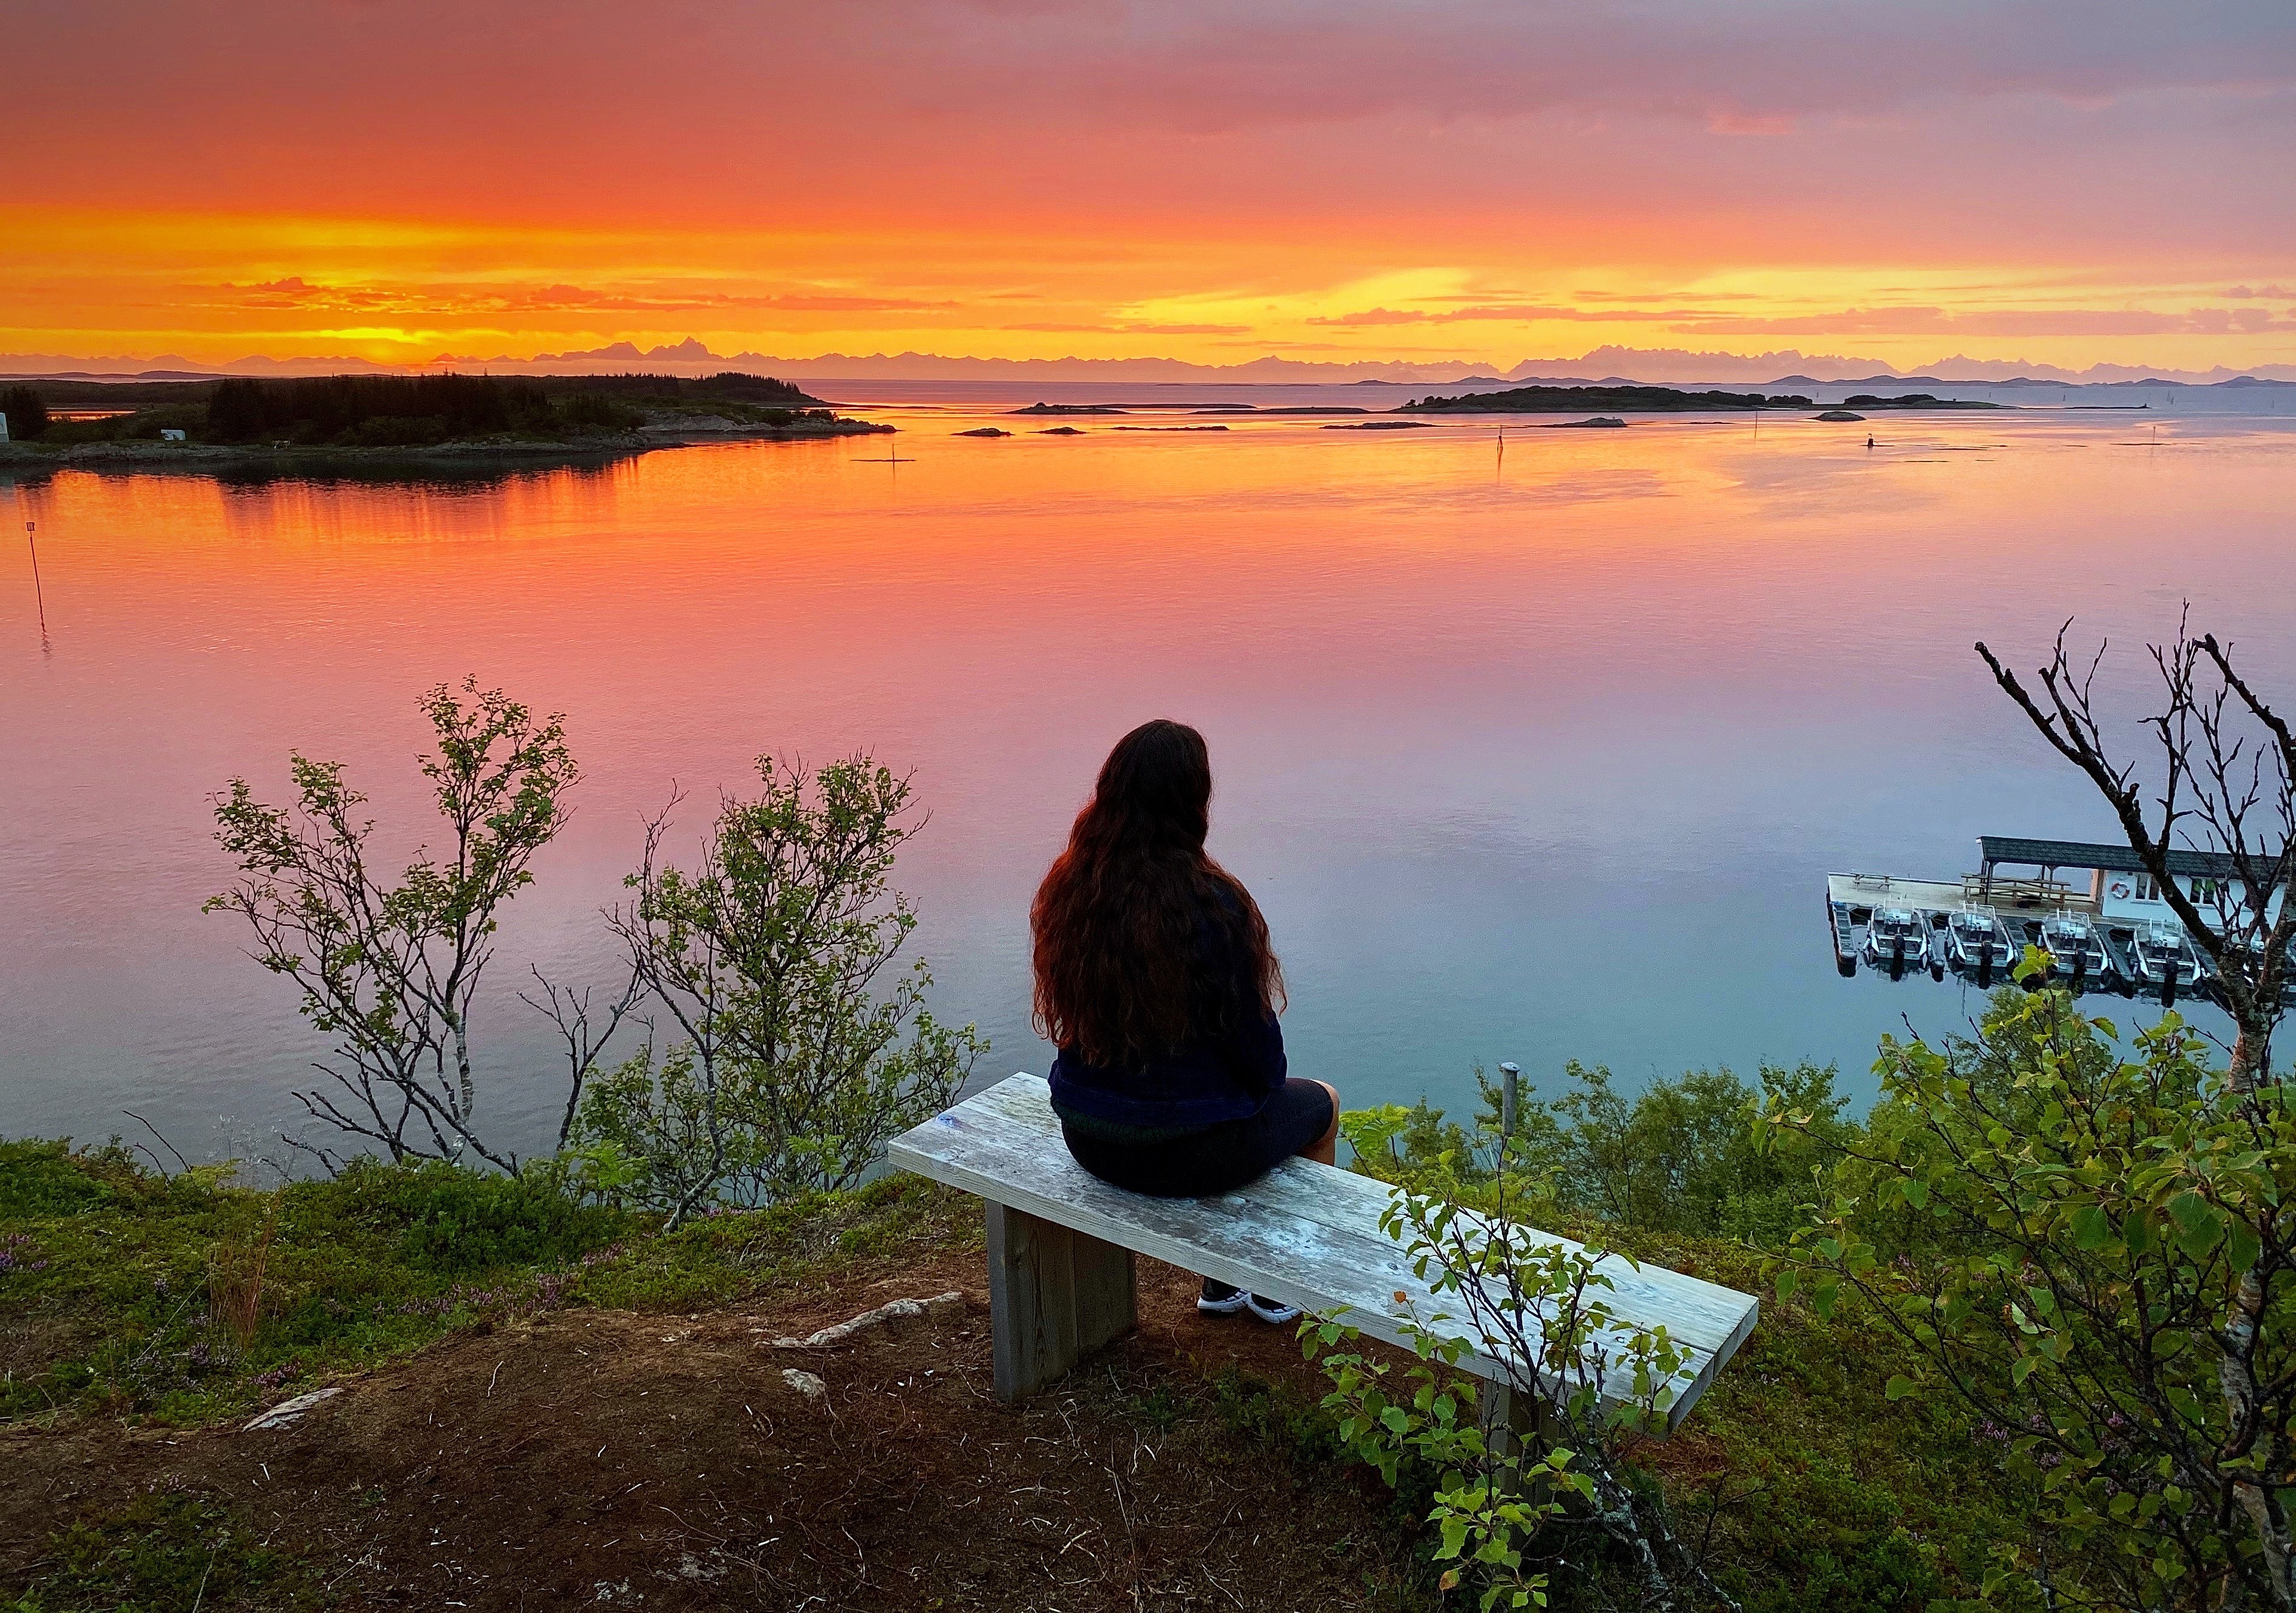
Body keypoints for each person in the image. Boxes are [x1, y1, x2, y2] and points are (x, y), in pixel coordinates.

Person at [1031, 719, 1339, 1325]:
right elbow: (1263, 1065)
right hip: (1189, 1157)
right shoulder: (1212, 904)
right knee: (1317, 1105)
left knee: (1233, 1116)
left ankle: (1223, 1287)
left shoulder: (1072, 889)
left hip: (1090, 1138)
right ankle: (1279, 1288)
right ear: (1193, 801)